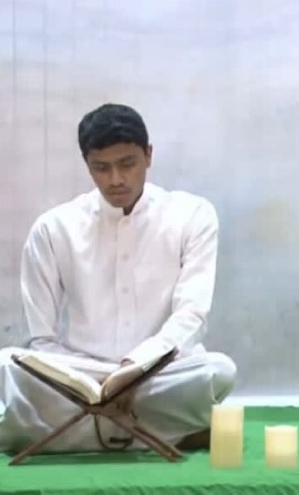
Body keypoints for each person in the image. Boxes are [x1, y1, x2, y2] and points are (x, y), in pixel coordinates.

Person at [0, 104, 236, 454]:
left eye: (127, 164)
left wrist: (133, 369)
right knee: (7, 363)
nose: (115, 179)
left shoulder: (192, 215)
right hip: (79, 376)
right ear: (87, 164)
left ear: (148, 156)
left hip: (157, 372)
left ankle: (70, 433)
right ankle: (163, 432)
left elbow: (191, 315)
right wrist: (84, 383)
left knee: (218, 369)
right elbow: (42, 338)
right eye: (101, 167)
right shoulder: (53, 228)